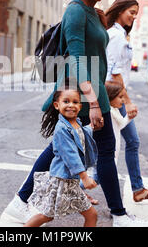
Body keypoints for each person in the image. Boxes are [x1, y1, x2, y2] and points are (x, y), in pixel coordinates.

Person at [6, 0, 148, 227]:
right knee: (86, 150)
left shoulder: (94, 12)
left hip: (93, 93)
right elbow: (75, 59)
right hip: (81, 95)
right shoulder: (75, 10)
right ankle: (119, 216)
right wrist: (94, 103)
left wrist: (102, 20)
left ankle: (20, 202)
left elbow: (97, 48)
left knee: (64, 149)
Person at [105, 0, 148, 202]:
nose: (134, 17)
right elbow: (114, 71)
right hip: (113, 98)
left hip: (116, 97)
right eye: (131, 12)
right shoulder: (115, 36)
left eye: (136, 13)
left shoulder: (120, 35)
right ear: (120, 10)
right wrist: (127, 101)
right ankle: (74, 182)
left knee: (129, 142)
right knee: (110, 146)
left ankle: (137, 189)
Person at [24, 79, 98, 227]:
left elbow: (80, 135)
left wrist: (92, 127)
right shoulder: (61, 129)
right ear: (57, 105)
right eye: (66, 101)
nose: (71, 105)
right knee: (46, 216)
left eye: (75, 102)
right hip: (62, 181)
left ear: (80, 106)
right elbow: (70, 154)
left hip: (71, 181)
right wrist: (84, 177)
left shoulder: (75, 122)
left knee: (91, 215)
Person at [105, 81, 132, 165]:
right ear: (110, 97)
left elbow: (119, 125)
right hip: (109, 152)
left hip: (114, 152)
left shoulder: (115, 110)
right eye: (120, 97)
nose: (123, 100)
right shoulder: (109, 113)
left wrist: (129, 117)